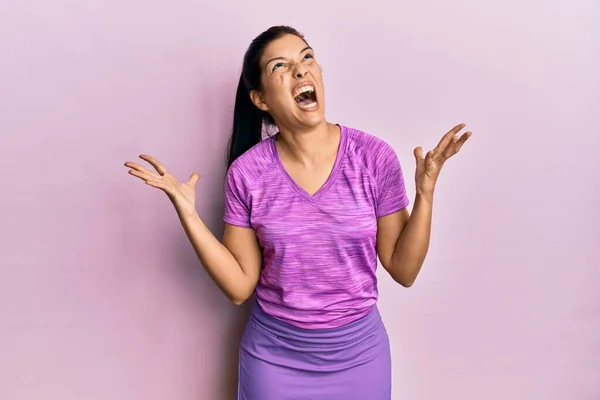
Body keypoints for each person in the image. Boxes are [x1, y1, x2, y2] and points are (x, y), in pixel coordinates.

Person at [124, 25, 471, 400]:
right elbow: (240, 288)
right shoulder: (248, 173)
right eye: (281, 67)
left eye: (307, 58)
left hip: (359, 357)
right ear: (260, 99)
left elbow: (404, 270)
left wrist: (425, 193)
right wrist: (189, 215)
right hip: (274, 360)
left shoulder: (374, 157)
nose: (301, 70)